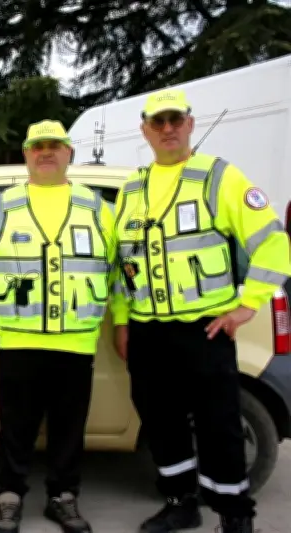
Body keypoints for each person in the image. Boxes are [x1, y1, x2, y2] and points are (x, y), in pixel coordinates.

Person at [110, 88, 291, 533]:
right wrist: (122, 318)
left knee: (219, 426)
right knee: (162, 423)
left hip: (203, 330)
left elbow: (272, 240)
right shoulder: (133, 187)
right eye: (158, 122)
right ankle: (180, 504)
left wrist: (248, 305)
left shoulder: (219, 178)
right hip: (148, 332)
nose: (167, 129)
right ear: (145, 131)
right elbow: (122, 263)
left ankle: (234, 517)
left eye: (175, 120)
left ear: (190, 124)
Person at [0, 120, 115, 533]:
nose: (46, 152)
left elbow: (118, 274)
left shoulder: (96, 208)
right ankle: (10, 495)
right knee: (15, 427)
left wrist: (122, 322)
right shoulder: (2, 206)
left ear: (69, 153)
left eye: (55, 145)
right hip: (18, 340)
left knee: (69, 429)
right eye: (38, 146)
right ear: (26, 154)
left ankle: (63, 496)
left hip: (77, 342)